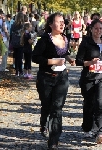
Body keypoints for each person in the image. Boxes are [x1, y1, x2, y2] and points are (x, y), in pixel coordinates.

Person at [32, 12, 75, 149]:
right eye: (59, 21)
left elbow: (64, 53)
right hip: (45, 78)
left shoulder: (65, 38)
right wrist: (51, 61)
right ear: (50, 24)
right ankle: (43, 123)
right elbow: (35, 57)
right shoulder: (44, 39)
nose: (62, 24)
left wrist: (69, 59)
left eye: (63, 21)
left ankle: (53, 141)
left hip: (61, 78)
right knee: (47, 105)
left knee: (57, 108)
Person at [76, 19, 102, 144]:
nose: (98, 31)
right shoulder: (86, 42)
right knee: (89, 104)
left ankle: (101, 132)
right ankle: (88, 128)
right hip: (88, 78)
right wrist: (90, 63)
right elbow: (78, 61)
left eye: (100, 29)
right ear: (91, 29)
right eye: (96, 28)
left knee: (101, 103)